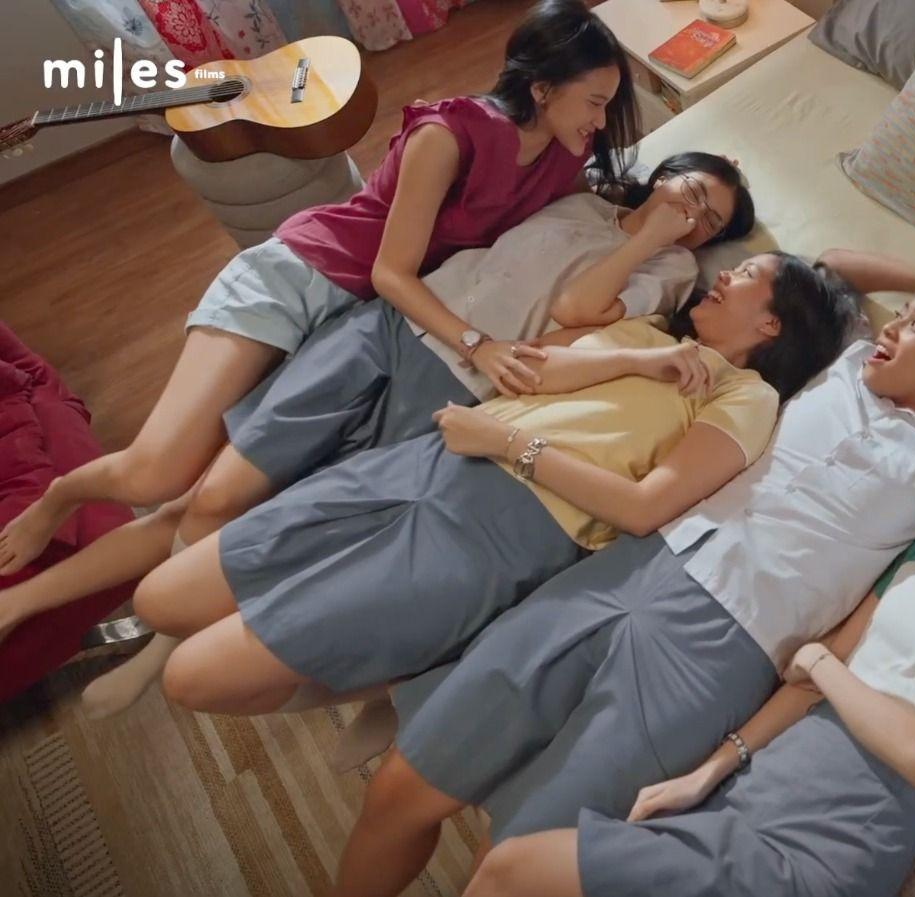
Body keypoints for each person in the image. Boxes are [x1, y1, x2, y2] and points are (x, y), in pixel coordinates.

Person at [328, 250, 915, 897]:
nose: (894, 329)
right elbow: (834, 265)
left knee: (518, 860)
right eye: (899, 317)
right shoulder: (841, 368)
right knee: (402, 787)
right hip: (631, 570)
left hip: (721, 655)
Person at [0, 152, 752, 716]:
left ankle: (160, 638)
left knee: (285, 515)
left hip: (461, 389)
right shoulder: (579, 197)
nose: (695, 216)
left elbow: (575, 312)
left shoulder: (670, 275)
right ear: (663, 174)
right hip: (396, 327)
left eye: (711, 221)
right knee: (212, 492)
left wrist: (653, 236)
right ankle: (60, 596)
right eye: (692, 192)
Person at [0, 0, 637, 581]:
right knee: (159, 472)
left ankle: (130, 600)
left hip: (355, 326)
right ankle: (60, 496)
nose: (602, 120)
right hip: (298, 282)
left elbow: (584, 218)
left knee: (214, 493)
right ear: (542, 87)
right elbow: (391, 272)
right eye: (594, 101)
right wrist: (478, 344)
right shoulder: (449, 134)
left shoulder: (562, 156)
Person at [134, 252, 854, 724]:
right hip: (426, 462)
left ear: (772, 321)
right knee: (158, 599)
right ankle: (387, 661)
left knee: (192, 677)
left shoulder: (749, 397)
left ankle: (382, 669)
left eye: (746, 273)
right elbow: (529, 373)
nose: (724, 274)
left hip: (499, 533)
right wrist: (640, 361)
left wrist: (511, 445)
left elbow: (645, 508)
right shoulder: (647, 336)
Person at [463, 416, 915, 897]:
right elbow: (810, 681)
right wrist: (710, 771)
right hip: (745, 798)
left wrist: (822, 663)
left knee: (510, 872)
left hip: (833, 840)